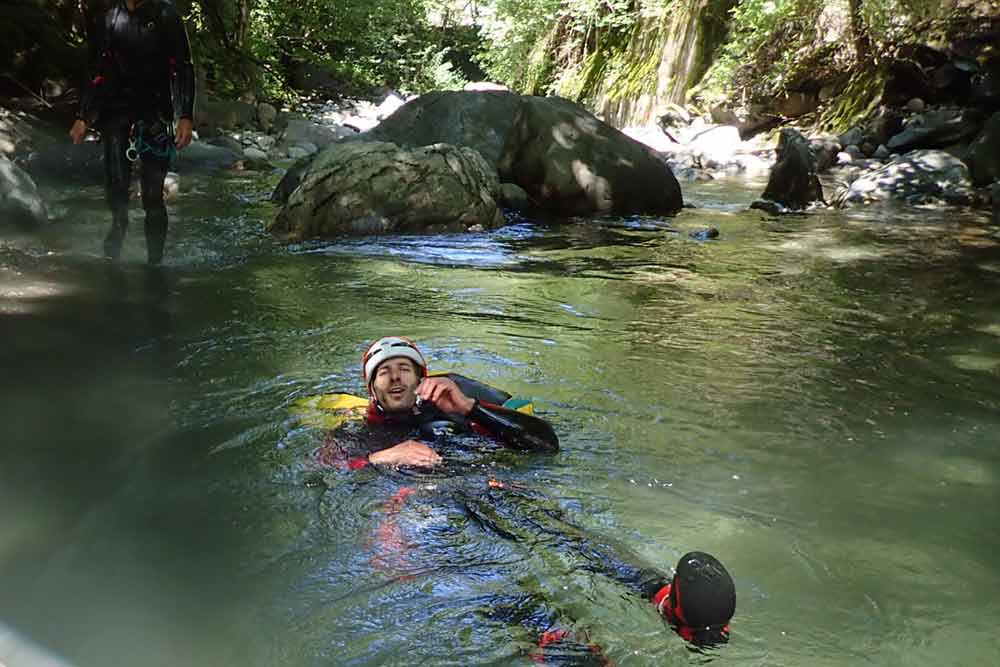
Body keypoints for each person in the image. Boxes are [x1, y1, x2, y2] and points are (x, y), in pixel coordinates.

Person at [69, 0, 195, 265]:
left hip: (156, 113)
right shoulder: (109, 17)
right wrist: (83, 116)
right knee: (116, 187)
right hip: (116, 111)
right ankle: (118, 225)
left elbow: (183, 66)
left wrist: (185, 115)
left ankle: (155, 264)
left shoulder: (165, 14)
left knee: (152, 196)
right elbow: (96, 70)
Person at [317, 336, 559, 471]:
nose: (395, 377)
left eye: (403, 369)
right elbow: (322, 470)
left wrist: (469, 407)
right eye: (383, 373)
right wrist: (381, 458)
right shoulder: (356, 428)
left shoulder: (454, 411)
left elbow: (547, 445)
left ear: (421, 380)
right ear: (372, 391)